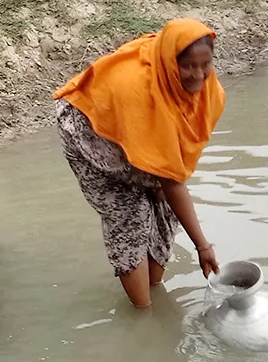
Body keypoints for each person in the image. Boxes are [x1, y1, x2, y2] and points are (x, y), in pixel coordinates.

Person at [54, 18, 225, 308]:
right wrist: (203, 246)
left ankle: (154, 288)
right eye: (188, 66)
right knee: (128, 214)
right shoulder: (138, 90)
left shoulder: (208, 91)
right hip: (90, 130)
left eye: (205, 65)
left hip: (138, 128)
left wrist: (162, 183)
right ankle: (144, 313)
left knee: (166, 208)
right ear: (171, 63)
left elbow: (176, 165)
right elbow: (172, 179)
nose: (198, 75)